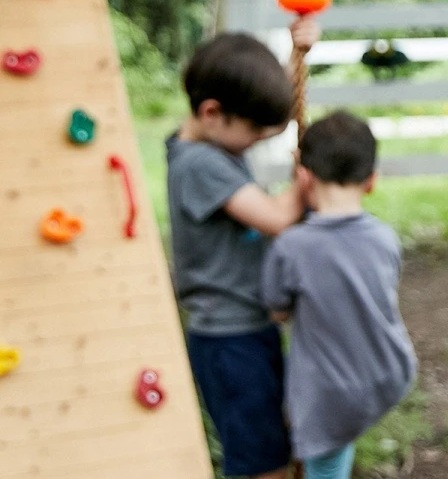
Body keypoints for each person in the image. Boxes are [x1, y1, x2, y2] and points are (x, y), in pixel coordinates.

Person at [168, 26, 319, 479]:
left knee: (269, 445)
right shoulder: (199, 164)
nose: (261, 137)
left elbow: (262, 106)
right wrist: (306, 182)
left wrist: (298, 54)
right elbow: (275, 218)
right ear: (212, 112)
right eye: (255, 130)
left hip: (247, 329)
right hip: (229, 340)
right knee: (261, 463)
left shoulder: (214, 141)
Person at [261, 110, 417, 479]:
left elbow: (277, 311)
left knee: (326, 460)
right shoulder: (384, 239)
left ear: (303, 178)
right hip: (388, 371)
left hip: (329, 390)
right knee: (341, 436)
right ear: (372, 181)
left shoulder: (292, 247)